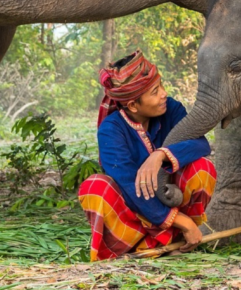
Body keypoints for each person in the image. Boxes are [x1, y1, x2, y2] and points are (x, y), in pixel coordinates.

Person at [78, 50, 216, 261]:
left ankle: (181, 241)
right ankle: (136, 246)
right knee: (95, 188)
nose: (163, 94)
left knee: (203, 168)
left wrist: (160, 155)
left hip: (171, 201)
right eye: (154, 91)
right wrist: (181, 221)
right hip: (134, 213)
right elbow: (132, 188)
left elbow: (200, 144)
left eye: (160, 85)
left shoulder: (171, 109)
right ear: (133, 105)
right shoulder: (111, 130)